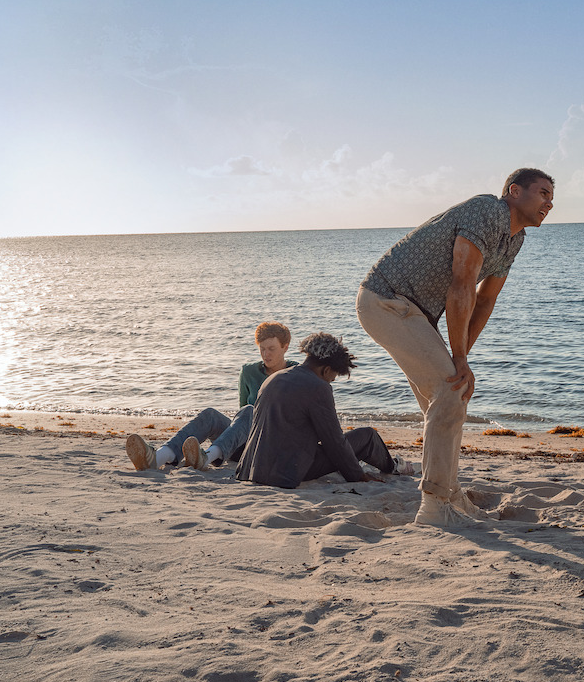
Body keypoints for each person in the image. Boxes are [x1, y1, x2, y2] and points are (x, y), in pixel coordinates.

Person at [357, 167, 555, 527]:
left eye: (552, 197)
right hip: (387, 300)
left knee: (452, 396)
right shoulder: (487, 211)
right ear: (514, 191)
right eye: (543, 193)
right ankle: (434, 508)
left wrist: (460, 359)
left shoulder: (515, 238)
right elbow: (462, 282)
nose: (550, 203)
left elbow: (485, 300)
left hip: (416, 314)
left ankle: (448, 494)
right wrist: (458, 359)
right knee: (450, 393)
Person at [125, 322, 297, 471]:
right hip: (242, 445)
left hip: (269, 447)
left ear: (285, 347)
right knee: (211, 415)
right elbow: (242, 412)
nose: (266, 354)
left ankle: (206, 457)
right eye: (262, 349)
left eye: (272, 349)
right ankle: (159, 458)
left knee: (250, 410)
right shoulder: (249, 371)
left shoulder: (298, 374)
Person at [237, 333, 401, 488]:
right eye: (332, 379)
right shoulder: (318, 387)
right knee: (367, 436)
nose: (330, 382)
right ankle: (394, 467)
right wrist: (358, 476)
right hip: (285, 472)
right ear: (326, 370)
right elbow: (334, 441)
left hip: (251, 468)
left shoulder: (274, 378)